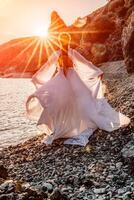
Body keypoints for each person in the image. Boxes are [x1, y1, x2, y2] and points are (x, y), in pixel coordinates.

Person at [26, 32, 130, 146]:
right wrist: (97, 71)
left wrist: (37, 77)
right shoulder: (68, 53)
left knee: (66, 102)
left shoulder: (61, 53)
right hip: (70, 77)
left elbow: (48, 67)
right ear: (67, 41)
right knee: (77, 101)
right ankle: (72, 125)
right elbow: (84, 63)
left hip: (64, 78)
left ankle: (69, 125)